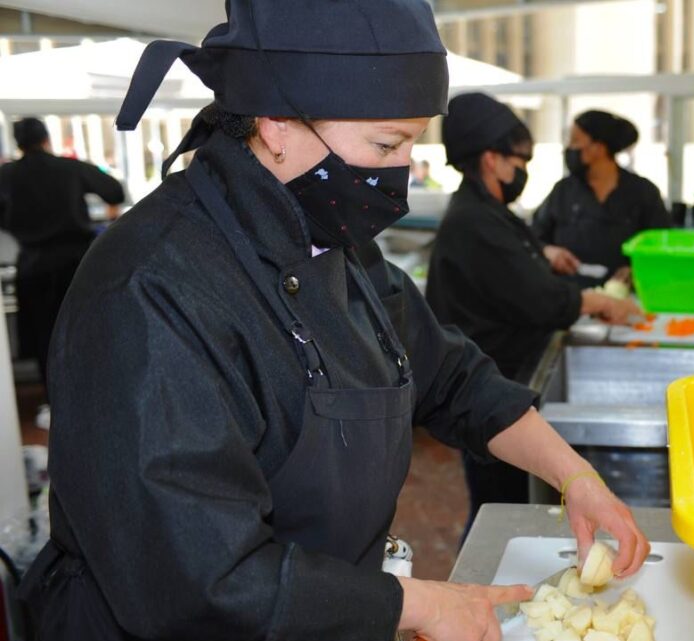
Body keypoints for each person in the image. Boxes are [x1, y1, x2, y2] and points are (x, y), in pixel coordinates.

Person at [16, 3, 648, 641]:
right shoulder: (151, 289)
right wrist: (416, 605)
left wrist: (577, 477)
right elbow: (196, 578)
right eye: (386, 143)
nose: (399, 172)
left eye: (411, 143)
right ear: (278, 124)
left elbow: (453, 378)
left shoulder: (332, 245)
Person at [427, 93, 642, 535]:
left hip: (498, 381)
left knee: (499, 501)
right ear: (492, 159)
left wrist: (541, 254)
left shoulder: (487, 213)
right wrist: (601, 301)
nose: (522, 170)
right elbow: (541, 300)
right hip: (488, 388)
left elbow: (513, 273)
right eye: (519, 160)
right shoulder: (475, 220)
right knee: (497, 508)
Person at [0, 117, 124, 429]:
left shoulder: (7, 175)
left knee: (45, 337)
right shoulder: (70, 168)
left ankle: (57, 406)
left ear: (18, 144)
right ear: (46, 139)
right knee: (89, 331)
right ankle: (99, 400)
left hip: (34, 265)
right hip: (77, 263)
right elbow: (114, 192)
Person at [533, 110, 671, 288]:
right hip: (568, 295)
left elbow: (661, 245)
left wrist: (636, 269)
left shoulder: (643, 192)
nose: (569, 148)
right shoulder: (563, 191)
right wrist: (548, 251)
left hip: (625, 297)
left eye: (575, 141)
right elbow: (532, 236)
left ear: (598, 147)